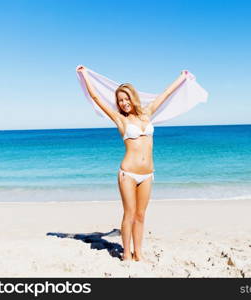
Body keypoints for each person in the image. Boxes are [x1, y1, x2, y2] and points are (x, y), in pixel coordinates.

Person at [77, 66, 187, 261]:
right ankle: (126, 254)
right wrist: (84, 74)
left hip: (147, 174)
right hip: (128, 174)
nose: (124, 103)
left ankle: (139, 253)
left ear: (132, 98)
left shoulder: (147, 113)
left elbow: (166, 94)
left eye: (126, 98)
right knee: (129, 214)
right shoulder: (120, 120)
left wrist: (182, 78)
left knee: (141, 216)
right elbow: (96, 99)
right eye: (120, 100)